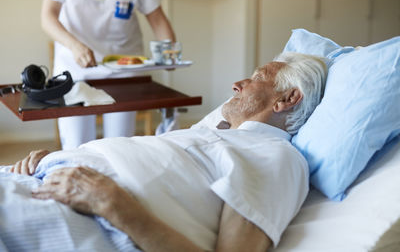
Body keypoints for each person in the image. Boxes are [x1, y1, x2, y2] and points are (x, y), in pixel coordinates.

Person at [4, 52, 327, 251]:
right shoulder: (214, 135)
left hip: (81, 217)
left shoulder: (277, 156)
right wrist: (51, 160)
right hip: (38, 181)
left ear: (286, 100)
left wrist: (111, 202)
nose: (237, 84)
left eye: (257, 79)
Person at [37, 0, 176, 150]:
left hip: (123, 70)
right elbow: (48, 17)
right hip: (74, 67)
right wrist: (74, 46)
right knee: (76, 146)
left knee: (119, 146)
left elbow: (157, 18)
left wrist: (170, 54)